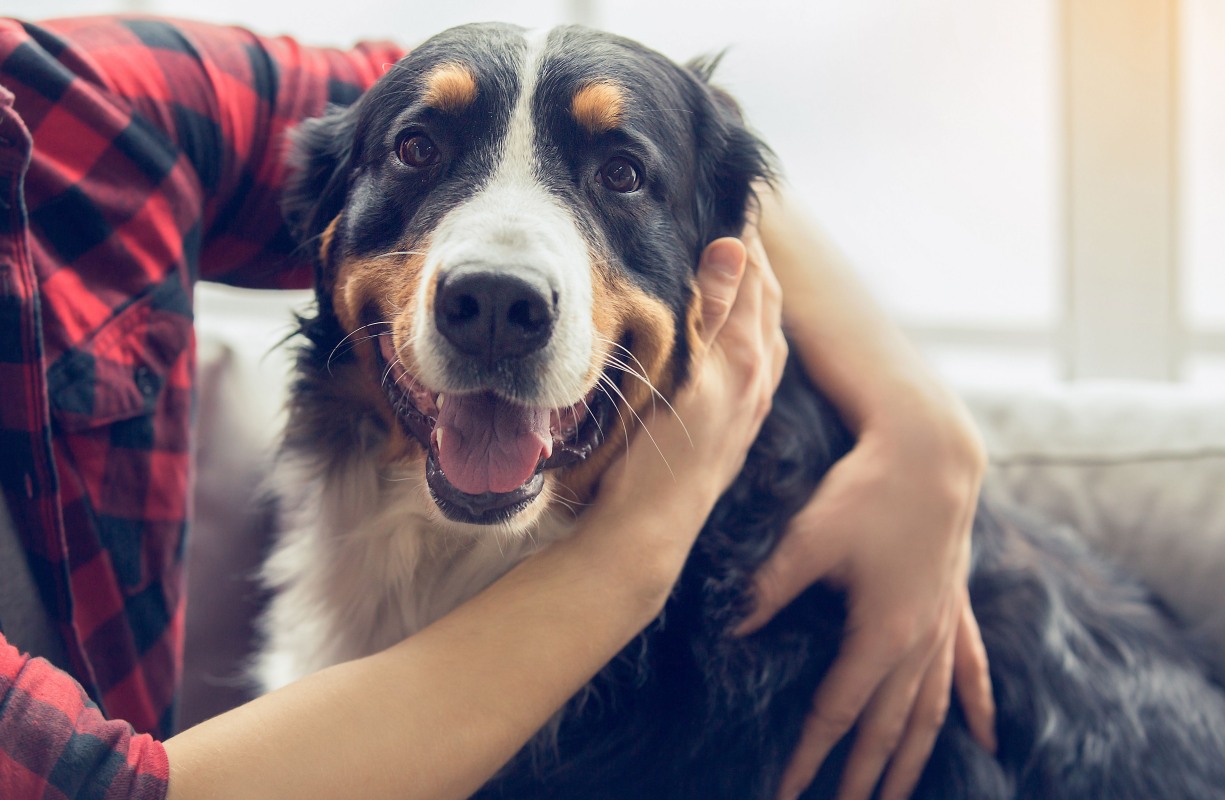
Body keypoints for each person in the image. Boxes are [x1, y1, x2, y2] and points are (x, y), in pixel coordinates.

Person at [0, 15, 991, 800]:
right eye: (424, 156)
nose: (498, 282)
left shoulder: (69, 100)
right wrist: (636, 548)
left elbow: (522, 84)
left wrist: (921, 427)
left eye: (618, 174)